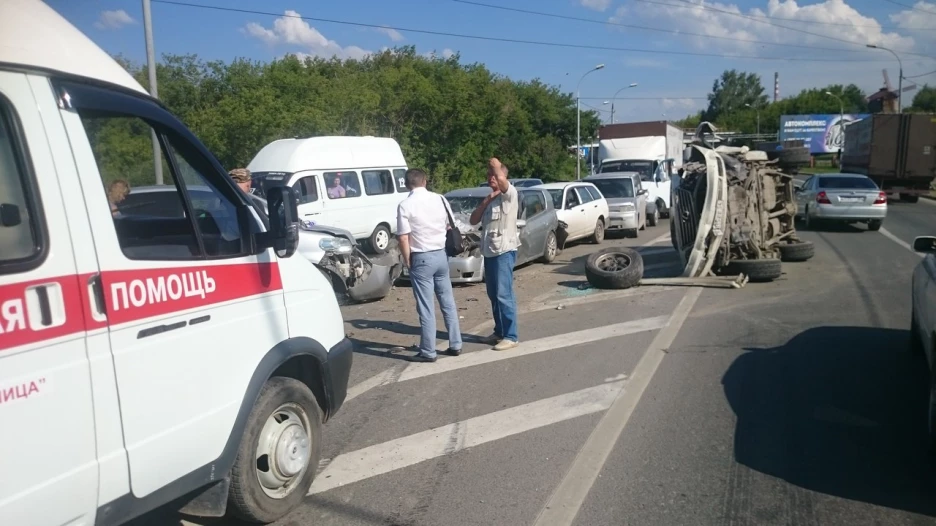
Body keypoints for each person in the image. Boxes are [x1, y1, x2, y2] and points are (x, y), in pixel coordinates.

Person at [396, 168, 463, 362]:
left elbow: (402, 237)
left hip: (421, 257)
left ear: (408, 184)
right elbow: (451, 225)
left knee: (426, 307)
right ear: (425, 181)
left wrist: (408, 260)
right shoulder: (440, 199)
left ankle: (428, 351)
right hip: (441, 254)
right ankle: (456, 343)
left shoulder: (405, 205)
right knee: (447, 302)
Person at [470, 157, 519, 351]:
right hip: (490, 252)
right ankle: (499, 331)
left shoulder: (510, 195)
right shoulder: (491, 199)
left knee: (503, 294)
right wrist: (485, 202)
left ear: (503, 177)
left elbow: (501, 177)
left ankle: (511, 335)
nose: (491, 177)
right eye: (488, 175)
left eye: (494, 175)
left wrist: (496, 165)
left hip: (504, 251)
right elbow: (474, 220)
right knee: (493, 294)